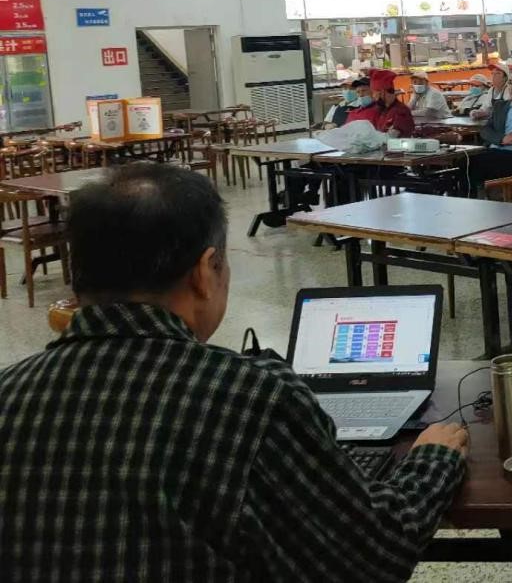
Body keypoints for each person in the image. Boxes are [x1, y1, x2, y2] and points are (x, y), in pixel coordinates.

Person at [0, 164, 468, 580]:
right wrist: (433, 461)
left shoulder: (9, 392)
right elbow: (372, 556)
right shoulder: (249, 397)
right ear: (205, 272)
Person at [374, 73, 416, 137]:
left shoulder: (401, 110)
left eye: (376, 94)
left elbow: (393, 135)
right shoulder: (384, 110)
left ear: (384, 92)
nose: (374, 97)